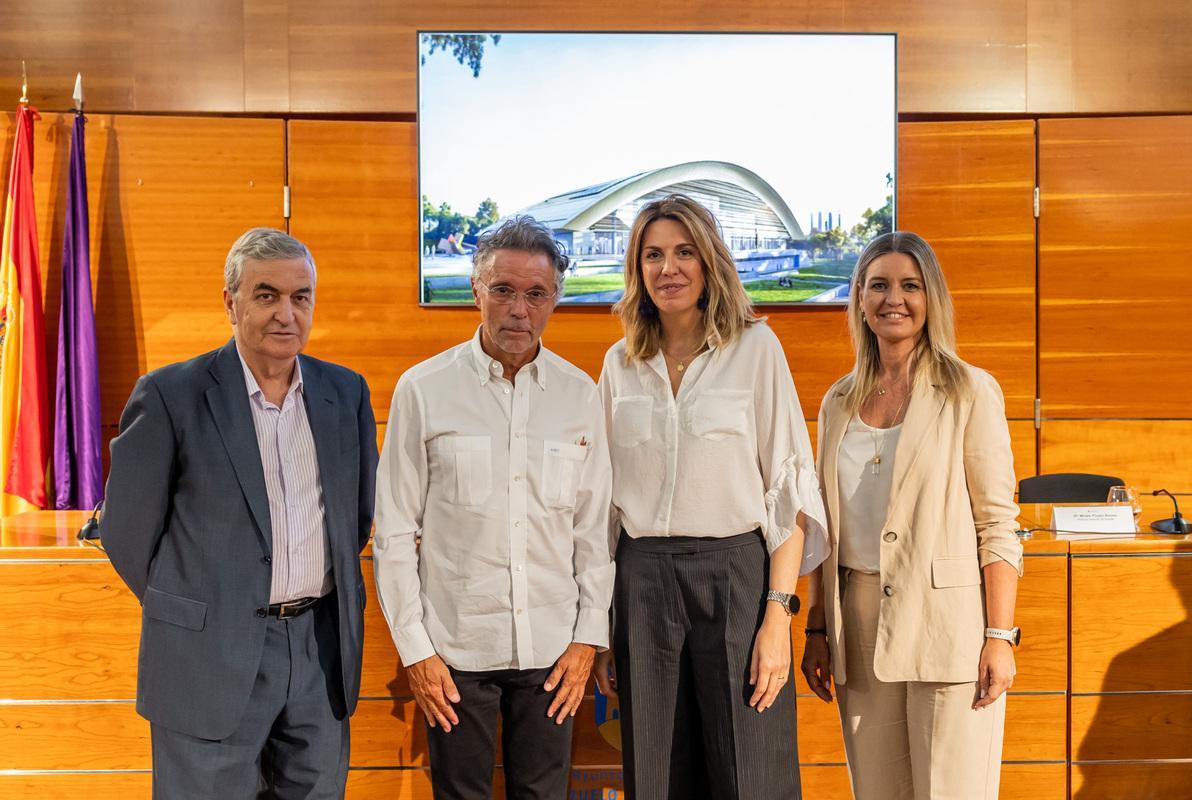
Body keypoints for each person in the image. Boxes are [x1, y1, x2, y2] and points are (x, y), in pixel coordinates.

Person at [100, 228, 378, 798]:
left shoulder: (345, 392)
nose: (286, 314)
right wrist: (198, 610)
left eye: (301, 297)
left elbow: (357, 517)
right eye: (267, 295)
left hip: (318, 653)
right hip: (206, 657)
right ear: (231, 302)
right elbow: (126, 533)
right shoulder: (171, 395)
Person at [593, 194, 829, 799]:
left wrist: (779, 616)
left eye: (684, 252)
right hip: (641, 582)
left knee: (749, 766)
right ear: (637, 270)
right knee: (655, 769)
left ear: (709, 262)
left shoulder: (755, 349)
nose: (668, 268)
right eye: (652, 255)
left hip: (736, 576)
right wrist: (599, 627)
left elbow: (789, 491)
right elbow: (599, 507)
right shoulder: (619, 364)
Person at [373, 216, 613, 799]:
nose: (519, 309)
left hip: (554, 652)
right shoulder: (423, 390)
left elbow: (595, 531)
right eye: (503, 290)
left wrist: (587, 641)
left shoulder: (580, 395)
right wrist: (416, 651)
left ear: (555, 299)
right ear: (476, 291)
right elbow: (395, 532)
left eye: (536, 294)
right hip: (454, 652)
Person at [800, 231, 1023, 800]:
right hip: (859, 624)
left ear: (931, 299)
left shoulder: (970, 390)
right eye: (878, 285)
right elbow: (824, 524)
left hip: (948, 626)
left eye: (909, 285)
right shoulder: (837, 400)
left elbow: (998, 523)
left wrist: (1000, 636)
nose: (892, 299)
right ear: (858, 298)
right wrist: (818, 628)